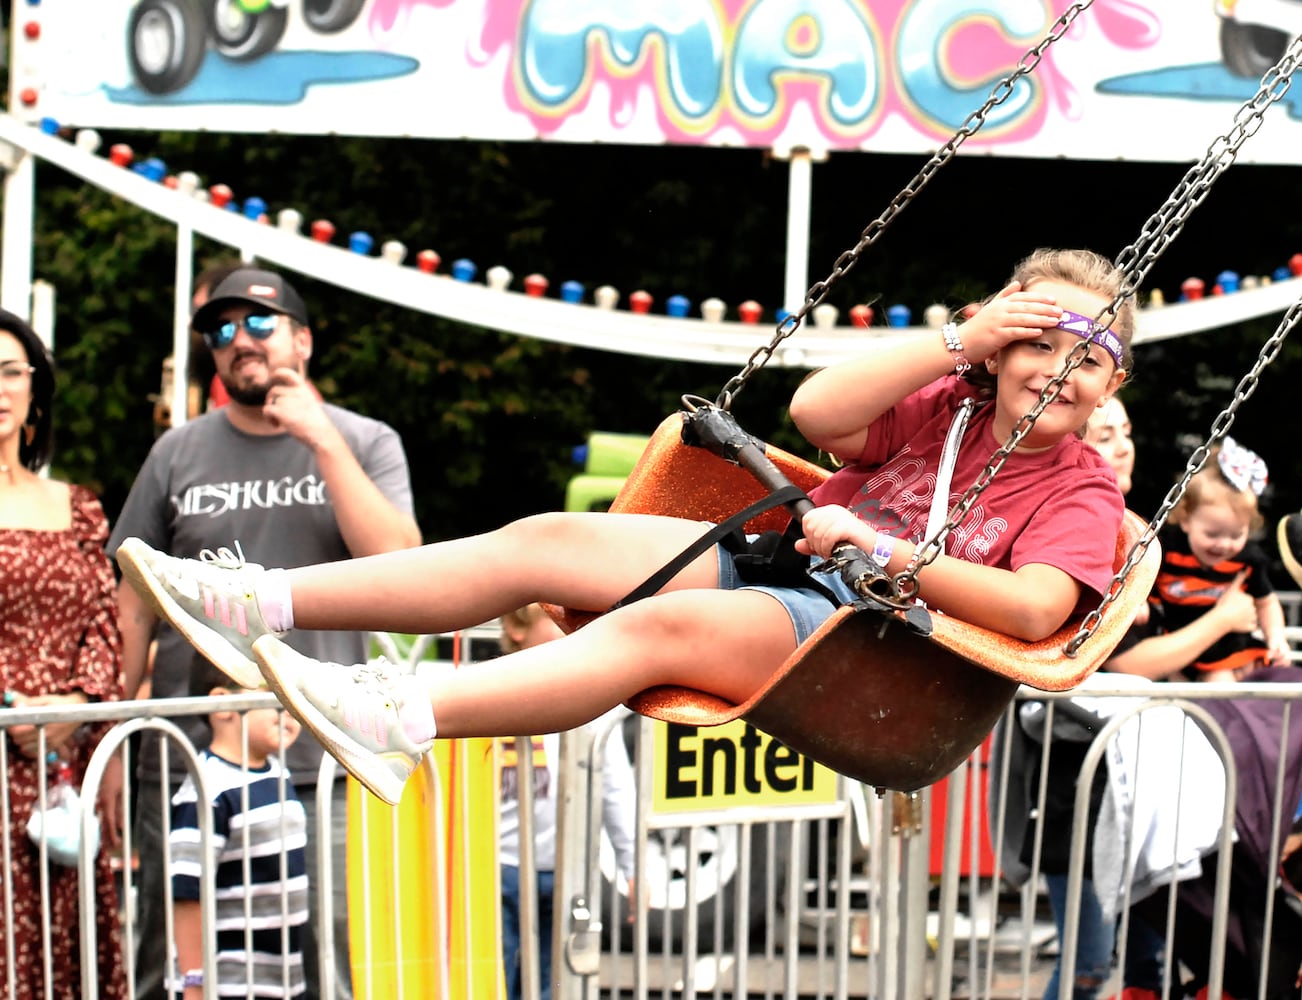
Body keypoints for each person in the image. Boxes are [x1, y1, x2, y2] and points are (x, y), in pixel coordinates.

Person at [116, 247, 1133, 807]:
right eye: (1036, 342)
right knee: (545, 542)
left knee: (645, 635)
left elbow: (1039, 604)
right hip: (787, 568)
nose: (1055, 369)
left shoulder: (1080, 490)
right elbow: (820, 417)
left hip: (864, 643)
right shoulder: (940, 411)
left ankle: (406, 712)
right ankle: (259, 600)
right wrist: (954, 340)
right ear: (1000, 349)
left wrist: (888, 552)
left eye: (1085, 358)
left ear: (1111, 386)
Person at [101, 265, 422, 1000]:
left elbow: (404, 567)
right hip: (186, 760)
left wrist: (322, 441)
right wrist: (112, 740)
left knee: (317, 966)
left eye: (257, 323)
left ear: (303, 341)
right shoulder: (175, 453)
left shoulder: (366, 441)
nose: (236, 340)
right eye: (219, 330)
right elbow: (134, 605)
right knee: (175, 970)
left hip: (320, 758)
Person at [993, 394, 1165, 1000]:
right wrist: (1221, 622)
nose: (1123, 446)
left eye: (1127, 432)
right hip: (1073, 786)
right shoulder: (1061, 530)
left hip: (1141, 789)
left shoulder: (1140, 535)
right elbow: (1117, 661)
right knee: (1090, 964)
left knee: (1151, 960)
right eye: (1106, 435)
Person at [0, 309, 126, 997]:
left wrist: (79, 707)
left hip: (62, 768)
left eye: (9, 371)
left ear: (35, 393)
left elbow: (107, 624)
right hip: (6, 740)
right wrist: (12, 712)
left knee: (61, 950)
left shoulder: (80, 507)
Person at [495, 604, 637, 1000]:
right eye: (558, 623)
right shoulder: (488, 691)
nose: (572, 633)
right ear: (515, 627)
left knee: (550, 980)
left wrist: (632, 864)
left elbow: (615, 784)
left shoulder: (587, 693)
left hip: (565, 868)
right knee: (494, 976)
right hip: (496, 867)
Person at [169, 662, 308, 999]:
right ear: (224, 706)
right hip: (227, 984)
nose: (287, 709)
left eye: (293, 695)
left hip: (279, 978)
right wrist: (195, 983)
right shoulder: (208, 788)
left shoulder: (276, 772)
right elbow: (187, 893)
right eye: (272, 694)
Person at [1108, 437, 1290, 683]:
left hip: (1224, 649)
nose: (1224, 544)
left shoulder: (1247, 560)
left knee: (1219, 681)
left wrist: (1276, 637)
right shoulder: (1168, 551)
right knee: (1173, 687)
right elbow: (1141, 581)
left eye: (1237, 535)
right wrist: (1138, 604)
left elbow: (1267, 602)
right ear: (1185, 520)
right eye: (1212, 534)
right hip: (1175, 643)